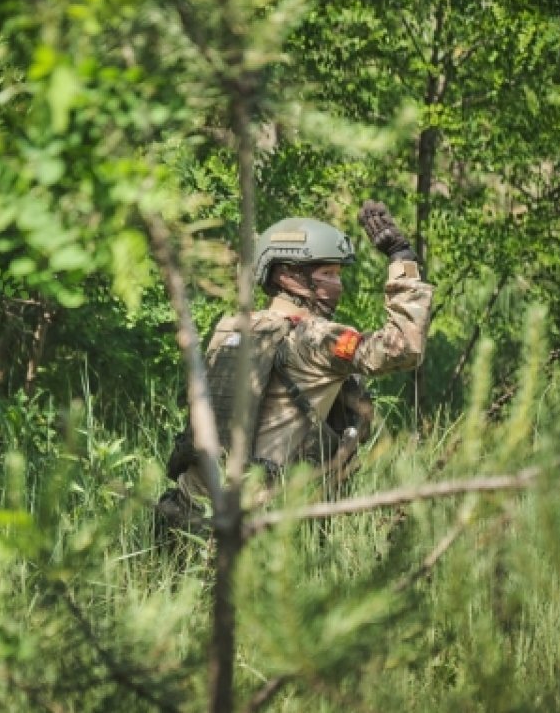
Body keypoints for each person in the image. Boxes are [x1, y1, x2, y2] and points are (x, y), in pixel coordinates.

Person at [161, 200, 434, 525]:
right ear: (289, 276)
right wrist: (402, 259)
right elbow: (403, 348)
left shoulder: (230, 326)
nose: (338, 284)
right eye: (327, 273)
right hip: (257, 519)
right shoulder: (315, 338)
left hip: (187, 508)